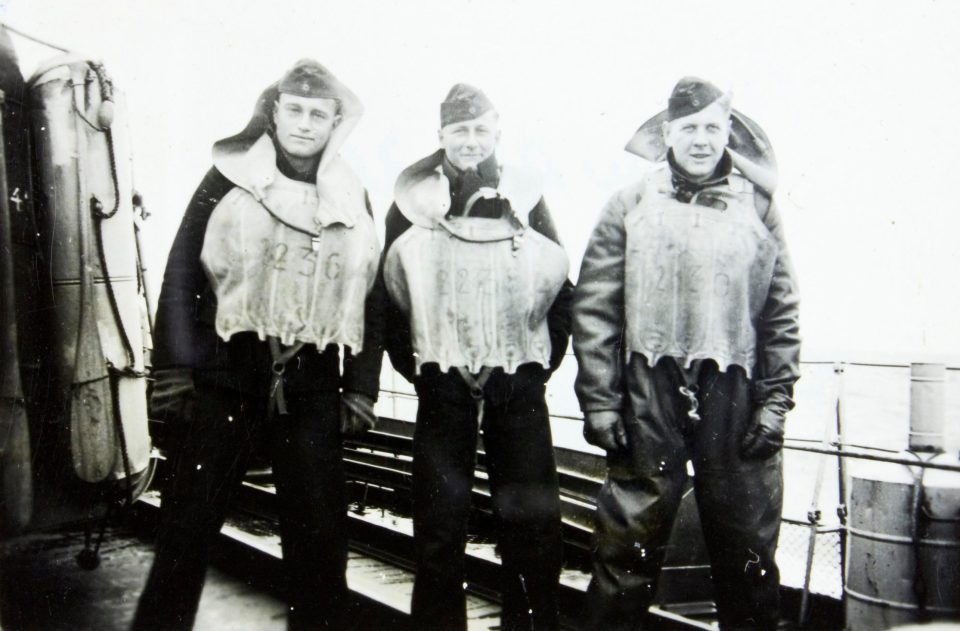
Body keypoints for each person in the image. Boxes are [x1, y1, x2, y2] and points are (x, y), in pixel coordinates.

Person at [132, 59, 383, 630]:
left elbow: (370, 294)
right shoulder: (227, 176)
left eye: (319, 114)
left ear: (336, 123)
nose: (304, 124)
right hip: (225, 378)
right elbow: (181, 275)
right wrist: (174, 371)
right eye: (294, 109)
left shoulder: (351, 194)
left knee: (319, 542)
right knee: (186, 529)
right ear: (273, 112)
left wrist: (362, 387)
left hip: (311, 385)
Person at [572, 77, 800, 631]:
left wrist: (775, 404)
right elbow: (595, 309)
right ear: (667, 133)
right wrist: (601, 404)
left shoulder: (759, 206)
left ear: (729, 135)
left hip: (735, 396)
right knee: (627, 550)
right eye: (690, 128)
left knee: (747, 555)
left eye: (713, 128)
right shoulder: (628, 204)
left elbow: (781, 312)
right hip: (649, 391)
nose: (702, 140)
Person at [378, 84, 574, 631]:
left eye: (480, 130)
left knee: (532, 523)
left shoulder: (526, 196)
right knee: (439, 524)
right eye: (459, 131)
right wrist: (421, 372)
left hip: (517, 384)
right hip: (442, 383)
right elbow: (391, 296)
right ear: (440, 136)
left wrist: (539, 366)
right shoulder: (412, 200)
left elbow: (559, 287)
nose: (470, 141)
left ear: (497, 135)